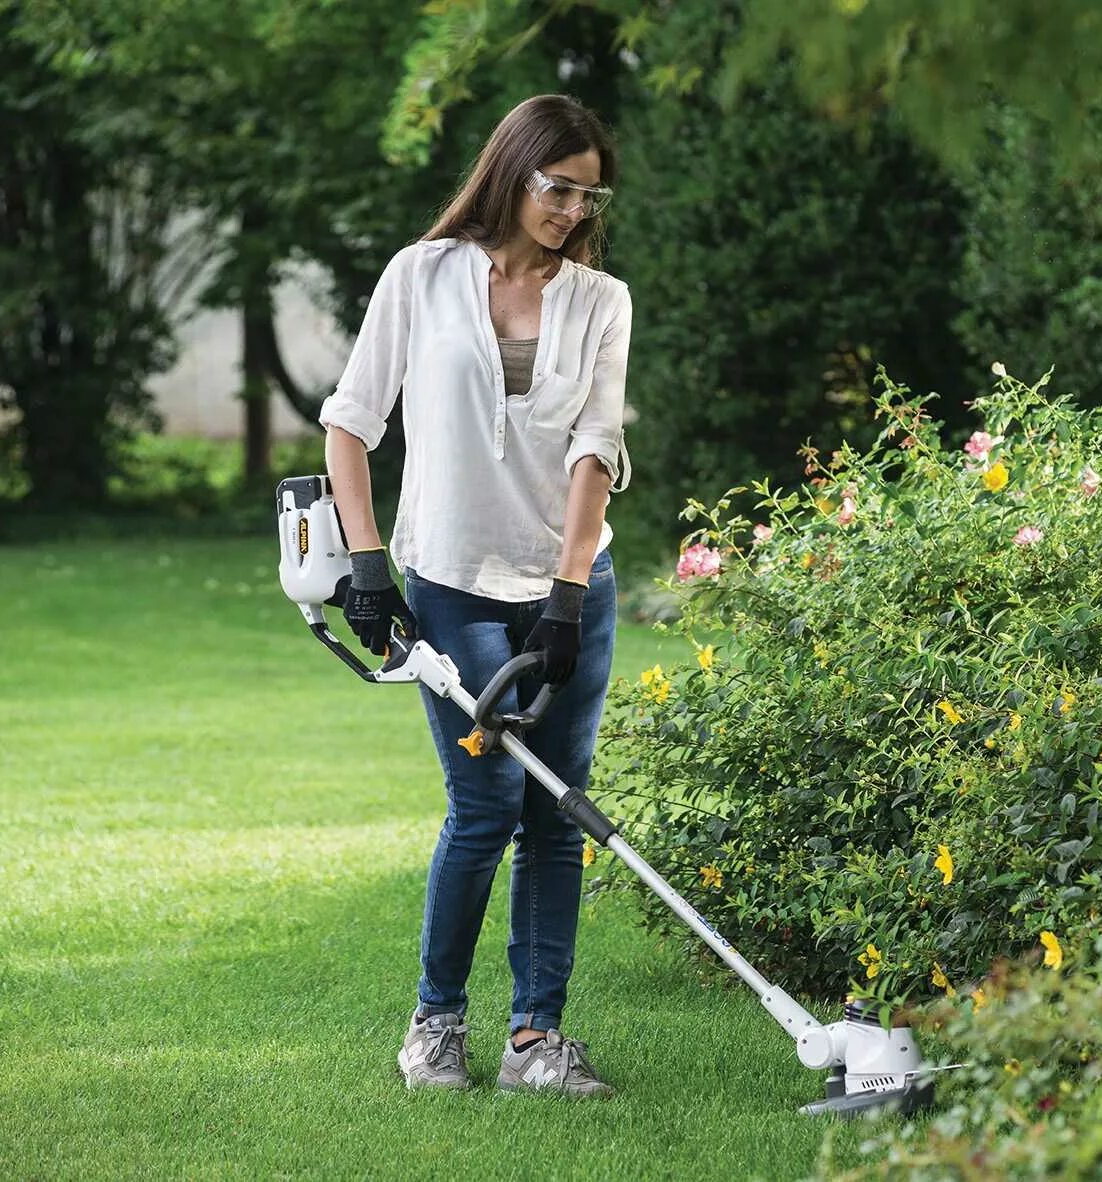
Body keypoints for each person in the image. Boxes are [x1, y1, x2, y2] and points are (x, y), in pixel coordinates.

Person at [318, 94, 631, 1098]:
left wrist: (569, 593)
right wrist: (366, 563)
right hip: (451, 586)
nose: (573, 210)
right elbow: (350, 422)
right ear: (513, 171)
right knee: (486, 800)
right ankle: (435, 1024)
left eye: (589, 196)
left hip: (566, 589)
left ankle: (535, 1040)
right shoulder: (422, 275)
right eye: (558, 187)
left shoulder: (601, 301)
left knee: (556, 806)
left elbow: (596, 448)